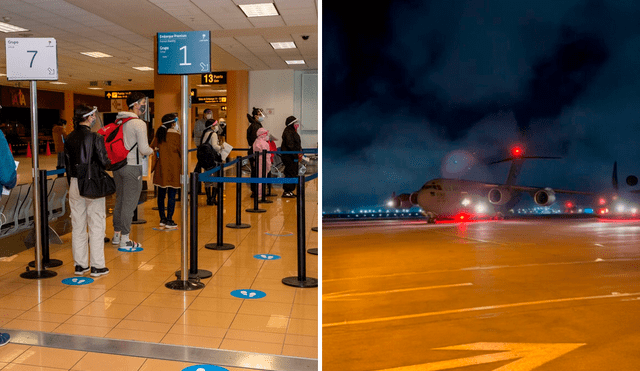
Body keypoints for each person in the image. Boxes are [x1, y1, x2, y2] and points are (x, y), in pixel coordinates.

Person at [64, 105, 111, 277]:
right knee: (96, 224)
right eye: (92, 116)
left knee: (78, 225)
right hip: (93, 184)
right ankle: (97, 266)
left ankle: (80, 265)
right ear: (88, 117)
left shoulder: (68, 138)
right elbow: (104, 161)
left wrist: (72, 184)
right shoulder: (95, 136)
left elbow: (67, 166)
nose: (93, 118)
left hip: (76, 183)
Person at [111, 92, 154, 249]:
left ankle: (116, 235)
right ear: (135, 104)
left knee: (120, 200)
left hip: (118, 166)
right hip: (132, 167)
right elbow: (143, 148)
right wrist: (152, 151)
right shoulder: (138, 124)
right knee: (129, 204)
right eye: (143, 102)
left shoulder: (119, 121)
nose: (144, 105)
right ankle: (125, 239)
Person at [151, 113, 181, 229]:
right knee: (172, 195)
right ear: (173, 124)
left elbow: (152, 147)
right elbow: (181, 152)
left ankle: (162, 219)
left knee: (161, 195)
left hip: (161, 169)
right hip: (173, 169)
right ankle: (169, 220)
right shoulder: (177, 136)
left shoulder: (159, 134)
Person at [201, 119, 222, 205]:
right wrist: (221, 147)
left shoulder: (204, 134)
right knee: (215, 178)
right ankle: (213, 198)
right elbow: (214, 146)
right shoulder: (213, 134)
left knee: (207, 177)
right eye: (215, 124)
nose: (216, 126)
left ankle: (208, 198)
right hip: (213, 159)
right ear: (212, 126)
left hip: (205, 159)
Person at [281, 115, 302, 198]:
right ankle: (287, 191)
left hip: (292, 156)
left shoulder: (291, 131)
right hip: (289, 157)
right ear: (291, 124)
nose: (297, 124)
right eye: (295, 122)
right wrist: (296, 154)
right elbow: (290, 145)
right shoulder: (288, 131)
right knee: (290, 173)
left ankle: (290, 190)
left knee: (293, 173)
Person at [246, 107, 264, 196]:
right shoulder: (255, 126)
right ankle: (255, 190)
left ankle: (256, 190)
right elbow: (255, 141)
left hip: (254, 151)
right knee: (256, 171)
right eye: (260, 114)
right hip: (255, 152)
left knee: (255, 171)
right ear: (255, 116)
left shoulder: (256, 125)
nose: (262, 116)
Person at [253, 128, 272, 198]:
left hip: (258, 161)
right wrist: (269, 164)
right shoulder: (264, 143)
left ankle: (259, 193)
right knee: (263, 178)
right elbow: (267, 156)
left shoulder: (256, 142)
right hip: (263, 162)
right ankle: (261, 194)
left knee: (259, 177)